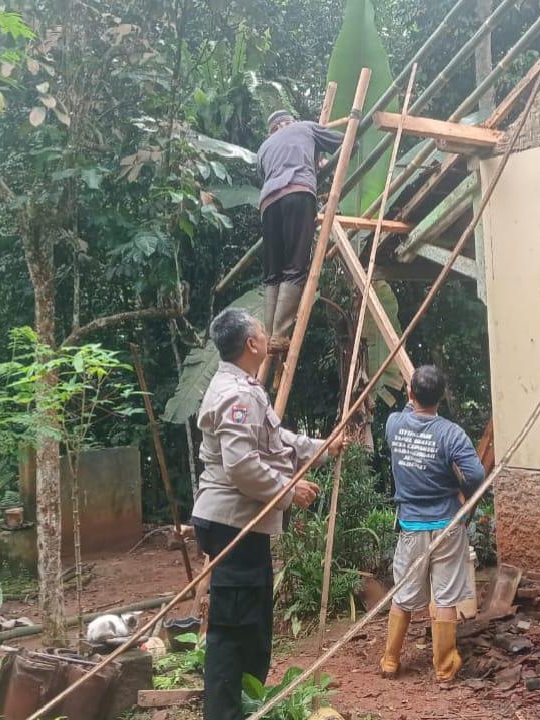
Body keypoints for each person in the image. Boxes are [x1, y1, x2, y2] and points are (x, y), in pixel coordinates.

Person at [191, 308, 340, 720]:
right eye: (259, 327)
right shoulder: (237, 394)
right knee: (236, 629)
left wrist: (322, 448)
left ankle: (245, 705)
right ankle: (225, 713)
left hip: (240, 522)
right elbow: (241, 465)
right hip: (232, 522)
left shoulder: (243, 386)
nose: (265, 330)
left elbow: (275, 440)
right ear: (251, 344)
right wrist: (288, 492)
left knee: (252, 625)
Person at [380, 365, 486, 683]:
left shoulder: (393, 425)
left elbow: (404, 412)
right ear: (441, 397)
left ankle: (390, 660)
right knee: (445, 595)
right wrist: (465, 497)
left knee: (404, 593)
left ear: (410, 393)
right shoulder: (451, 433)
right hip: (447, 526)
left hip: (411, 526)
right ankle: (444, 667)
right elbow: (477, 475)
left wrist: (410, 394)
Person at [256, 110, 344, 353]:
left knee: (273, 273)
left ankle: (270, 334)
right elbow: (347, 141)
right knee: (295, 265)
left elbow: (267, 175)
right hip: (297, 192)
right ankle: (280, 334)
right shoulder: (306, 127)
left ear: (271, 129)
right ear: (290, 122)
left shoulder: (264, 148)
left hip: (268, 204)